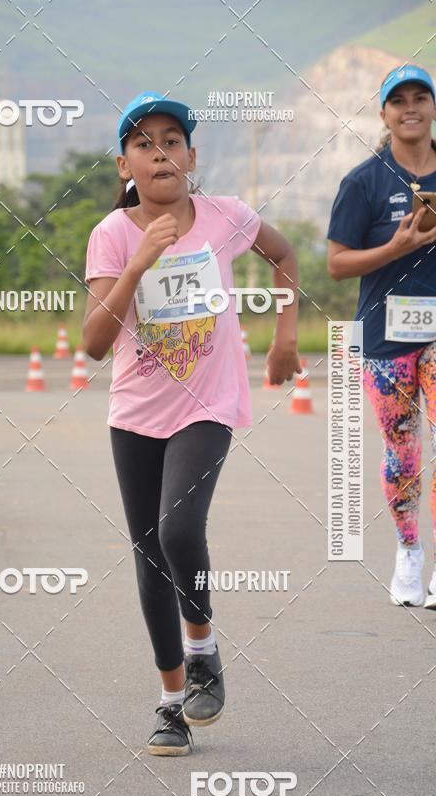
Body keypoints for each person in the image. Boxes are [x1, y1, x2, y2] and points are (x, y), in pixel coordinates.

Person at [82, 91, 301, 756]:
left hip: (208, 405)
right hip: (135, 414)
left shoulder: (225, 216)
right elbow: (94, 344)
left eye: (171, 141)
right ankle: (171, 702)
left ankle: (202, 650)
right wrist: (139, 262)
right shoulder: (112, 234)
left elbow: (284, 256)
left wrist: (285, 335)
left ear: (192, 156)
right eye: (143, 144)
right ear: (124, 164)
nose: (159, 154)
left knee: (179, 528)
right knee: (150, 556)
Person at [327, 64, 436, 609]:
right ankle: (409, 553)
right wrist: (395, 249)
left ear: (433, 107)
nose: (410, 107)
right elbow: (336, 264)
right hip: (383, 338)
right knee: (402, 448)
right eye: (399, 100)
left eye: (420, 97)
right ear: (384, 113)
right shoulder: (364, 181)